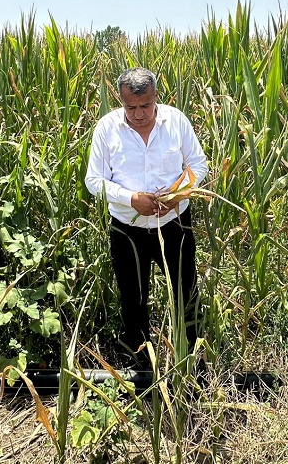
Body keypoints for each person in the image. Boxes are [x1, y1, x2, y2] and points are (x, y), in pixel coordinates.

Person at [85, 67, 208, 367]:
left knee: (186, 294)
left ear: (155, 98)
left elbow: (198, 165)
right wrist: (131, 199)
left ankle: (196, 364)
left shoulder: (176, 121)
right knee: (133, 300)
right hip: (127, 229)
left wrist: (178, 195)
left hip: (174, 225)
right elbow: (94, 181)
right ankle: (141, 368)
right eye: (131, 107)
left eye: (145, 106)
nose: (139, 114)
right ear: (120, 99)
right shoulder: (106, 129)